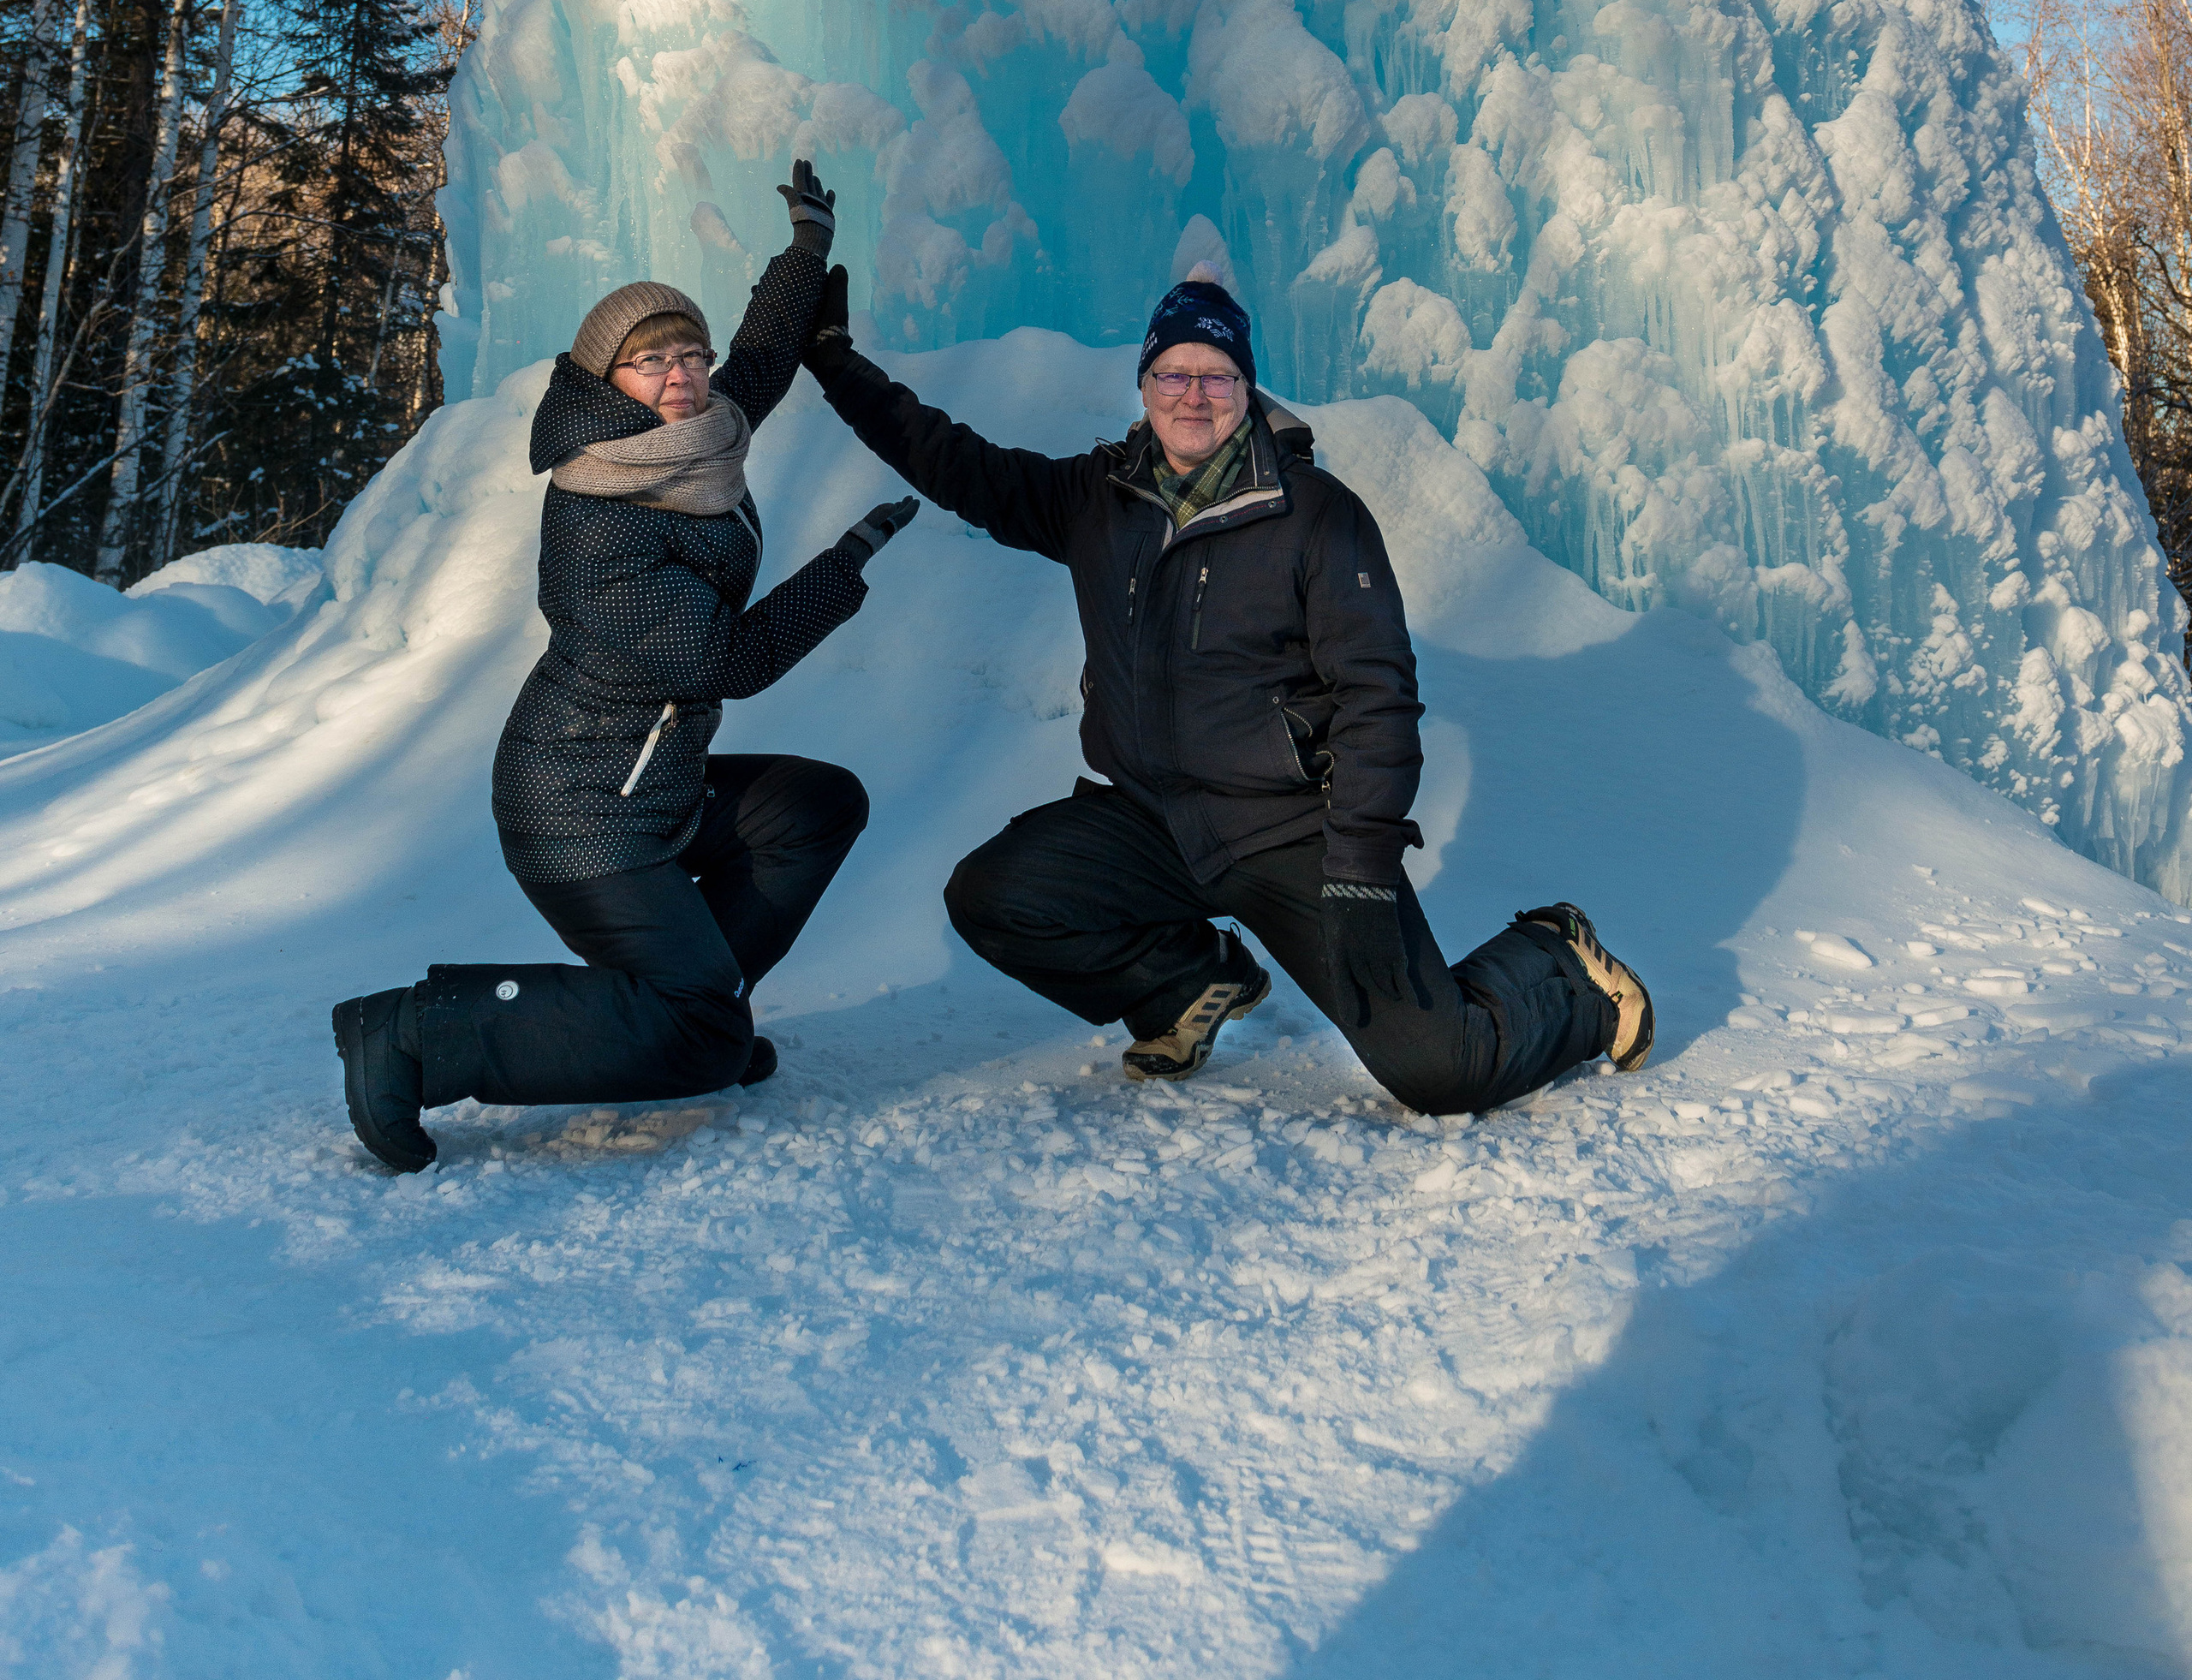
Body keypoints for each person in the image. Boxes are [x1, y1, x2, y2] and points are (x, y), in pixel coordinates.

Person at [800, 264, 1650, 1114]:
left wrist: (1358, 862)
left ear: (1245, 388)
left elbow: (1377, 697)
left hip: (1289, 833)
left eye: (1216, 374)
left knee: (1442, 1070)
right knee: (994, 896)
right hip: (1149, 821)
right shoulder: (1098, 498)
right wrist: (835, 361)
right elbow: (954, 462)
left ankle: (1556, 961)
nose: (1193, 394)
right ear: (1143, 385)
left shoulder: (1315, 514)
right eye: (1173, 372)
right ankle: (1183, 985)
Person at [331, 160, 915, 1172]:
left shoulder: (692, 441)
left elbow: (761, 363)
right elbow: (734, 659)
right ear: (607, 384)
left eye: (687, 352)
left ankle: (702, 1007)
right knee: (694, 1037)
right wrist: (845, 562)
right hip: (580, 808)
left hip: (655, 780)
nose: (683, 372)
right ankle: (415, 1032)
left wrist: (806, 248)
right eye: (653, 361)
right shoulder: (601, 513)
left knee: (817, 806)